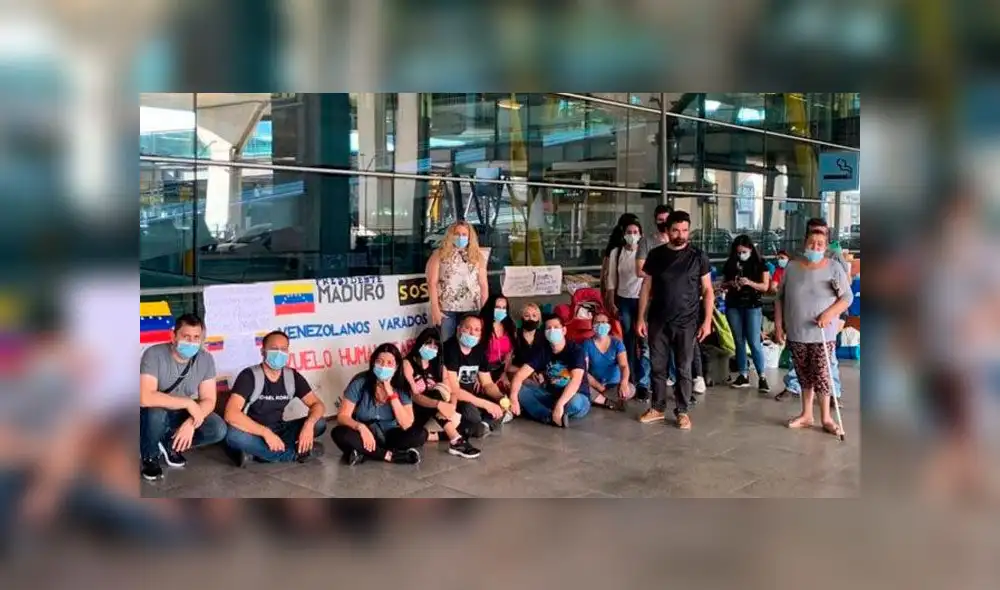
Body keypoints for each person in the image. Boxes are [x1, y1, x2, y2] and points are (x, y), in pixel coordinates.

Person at [636, 210, 714, 430]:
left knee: (683, 368)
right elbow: (646, 287)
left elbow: (708, 290)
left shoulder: (699, 256)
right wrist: (640, 318)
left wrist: (707, 321)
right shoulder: (656, 255)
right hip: (658, 320)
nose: (681, 234)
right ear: (667, 231)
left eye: (685, 230)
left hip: (687, 322)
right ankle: (658, 408)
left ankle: (682, 411)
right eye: (676, 230)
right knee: (657, 366)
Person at [774, 227, 854, 436]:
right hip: (797, 332)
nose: (815, 247)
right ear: (805, 243)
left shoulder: (834, 268)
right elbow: (779, 298)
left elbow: (847, 298)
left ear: (825, 246)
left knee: (821, 374)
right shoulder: (792, 267)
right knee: (803, 374)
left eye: (820, 244)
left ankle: (826, 418)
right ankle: (806, 414)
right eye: (812, 243)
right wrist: (779, 325)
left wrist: (829, 314)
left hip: (822, 333)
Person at [139, 314, 227, 481]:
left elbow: (209, 399)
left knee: (217, 428)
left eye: (196, 338)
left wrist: (191, 423)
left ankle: (169, 444)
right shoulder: (153, 354)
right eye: (186, 337)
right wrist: (188, 403)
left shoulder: (205, 359)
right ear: (173, 336)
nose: (191, 342)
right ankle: (150, 456)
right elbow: (145, 397)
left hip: (181, 412)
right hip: (151, 414)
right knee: (156, 412)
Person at [223, 330, 328, 466]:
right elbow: (231, 414)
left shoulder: (292, 377)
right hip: (253, 432)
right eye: (274, 349)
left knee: (319, 422)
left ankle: (256, 454)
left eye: (283, 349)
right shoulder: (249, 376)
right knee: (233, 435)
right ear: (263, 352)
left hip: (281, 430)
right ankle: (293, 454)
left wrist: (309, 424)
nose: (279, 353)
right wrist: (265, 433)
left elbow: (317, 404)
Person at [330, 343, 427, 466]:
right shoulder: (360, 381)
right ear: (373, 363)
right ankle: (390, 455)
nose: (383, 367)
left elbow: (406, 424)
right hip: (365, 434)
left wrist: (390, 393)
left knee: (420, 434)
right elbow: (342, 416)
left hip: (391, 434)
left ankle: (364, 453)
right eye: (379, 362)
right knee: (339, 433)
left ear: (396, 366)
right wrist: (360, 427)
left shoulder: (402, 386)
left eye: (389, 363)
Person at [402, 327, 481, 459]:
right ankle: (456, 440)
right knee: (435, 395)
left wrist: (452, 407)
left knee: (469, 425)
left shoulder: (439, 365)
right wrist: (439, 405)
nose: (431, 348)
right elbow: (414, 396)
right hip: (417, 410)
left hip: (439, 415)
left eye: (435, 346)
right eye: (428, 343)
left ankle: (434, 436)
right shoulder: (408, 363)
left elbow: (452, 391)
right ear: (420, 343)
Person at [508, 315, 592, 427]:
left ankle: (553, 412)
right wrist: (513, 398)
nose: (552, 331)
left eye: (556, 327)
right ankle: (549, 416)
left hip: (575, 396)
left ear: (564, 330)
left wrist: (560, 404)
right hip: (551, 395)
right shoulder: (543, 351)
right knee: (519, 390)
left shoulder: (575, 351)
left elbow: (575, 381)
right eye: (548, 328)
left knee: (575, 403)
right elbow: (520, 375)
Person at [605, 218, 651, 400]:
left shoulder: (646, 252)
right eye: (629, 232)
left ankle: (643, 382)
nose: (632, 236)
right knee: (628, 342)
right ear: (624, 235)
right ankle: (629, 378)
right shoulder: (617, 253)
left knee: (644, 342)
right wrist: (611, 300)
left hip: (643, 301)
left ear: (641, 234)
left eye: (635, 232)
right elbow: (611, 279)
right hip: (624, 300)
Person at [442, 314, 509, 437]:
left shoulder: (479, 350)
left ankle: (482, 426)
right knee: (471, 412)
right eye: (468, 328)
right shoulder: (449, 349)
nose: (472, 333)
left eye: (477, 330)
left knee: (500, 406)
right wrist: (485, 404)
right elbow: (454, 390)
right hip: (456, 399)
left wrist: (501, 398)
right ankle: (483, 424)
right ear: (459, 329)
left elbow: (487, 383)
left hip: (473, 396)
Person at [721, 235, 771, 391]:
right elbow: (723, 283)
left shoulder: (760, 264)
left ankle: (762, 375)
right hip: (734, 304)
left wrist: (749, 282)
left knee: (754, 341)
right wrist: (732, 283)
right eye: (738, 252)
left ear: (750, 249)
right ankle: (743, 374)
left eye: (744, 251)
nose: (741, 254)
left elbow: (765, 286)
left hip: (752, 305)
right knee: (738, 340)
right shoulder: (731, 264)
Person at [426, 221, 489, 342]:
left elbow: (483, 285)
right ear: (450, 235)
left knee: (470, 343)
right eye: (457, 233)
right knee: (447, 343)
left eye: (464, 234)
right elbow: (431, 283)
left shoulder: (478, 257)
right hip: (446, 309)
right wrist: (434, 308)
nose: (461, 237)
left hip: (472, 308)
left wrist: (485, 311)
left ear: (470, 237)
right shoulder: (439, 254)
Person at [582, 311, 633, 411]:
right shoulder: (587, 344)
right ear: (592, 326)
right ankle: (608, 401)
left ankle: (599, 399)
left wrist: (624, 383)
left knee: (631, 389)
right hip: (595, 384)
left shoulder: (617, 343)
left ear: (609, 326)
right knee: (580, 386)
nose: (601, 324)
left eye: (604, 322)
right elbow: (584, 371)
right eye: (597, 322)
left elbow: (624, 366)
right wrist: (600, 388)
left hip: (614, 385)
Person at [503, 302, 546, 387]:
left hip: (539, 376)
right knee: (528, 385)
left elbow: (546, 362)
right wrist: (528, 373)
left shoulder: (543, 336)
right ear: (522, 318)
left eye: (534, 316)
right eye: (527, 315)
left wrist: (541, 374)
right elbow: (507, 365)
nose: (530, 319)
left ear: (539, 319)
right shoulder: (515, 335)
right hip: (517, 373)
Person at [480, 294, 516, 384]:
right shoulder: (481, 325)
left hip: (501, 369)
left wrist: (503, 373)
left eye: (504, 308)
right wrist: (478, 375)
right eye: (498, 307)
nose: (501, 310)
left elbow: (509, 355)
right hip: (482, 370)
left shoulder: (510, 326)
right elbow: (474, 354)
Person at [600, 213, 641, 293]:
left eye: (635, 232)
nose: (632, 234)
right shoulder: (616, 249)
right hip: (618, 289)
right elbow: (608, 272)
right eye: (629, 232)